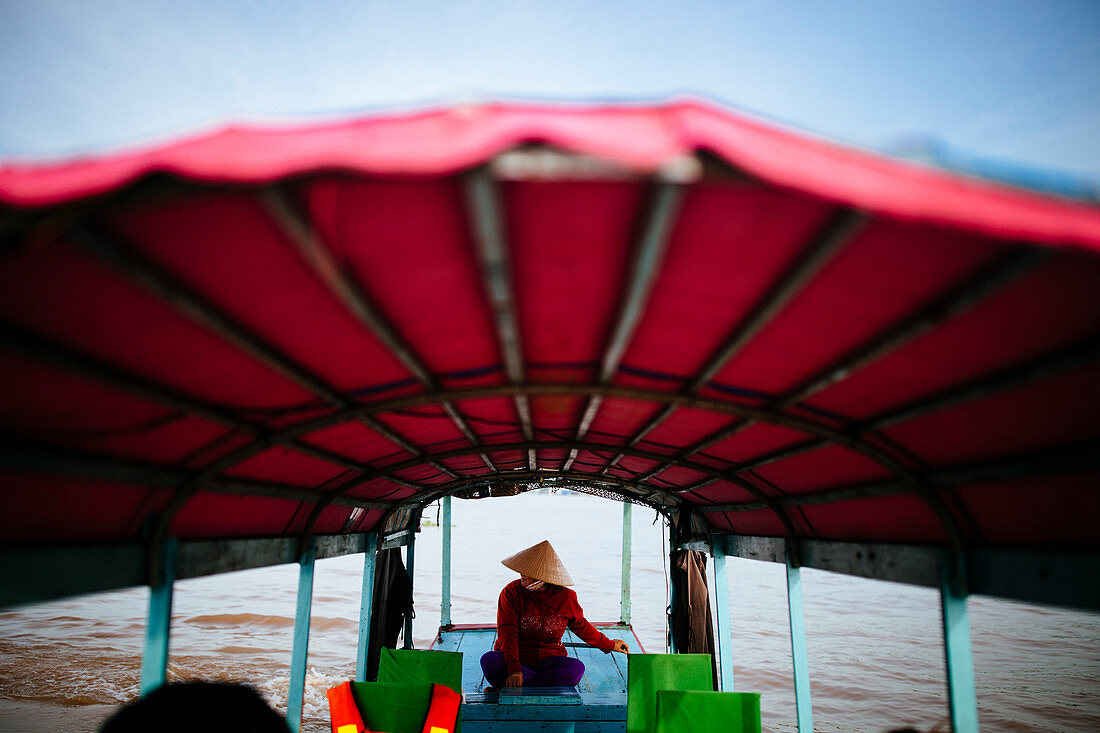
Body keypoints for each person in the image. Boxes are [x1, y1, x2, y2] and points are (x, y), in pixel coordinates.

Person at [480, 540, 629, 689]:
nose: (521, 573)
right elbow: (507, 634)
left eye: (528, 570)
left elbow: (582, 627)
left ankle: (517, 686)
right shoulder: (511, 592)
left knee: (576, 670)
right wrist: (514, 670)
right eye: (522, 569)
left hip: (549, 660)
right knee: (489, 661)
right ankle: (527, 683)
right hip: (516, 660)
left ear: (542, 575)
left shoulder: (566, 597)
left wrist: (609, 644)